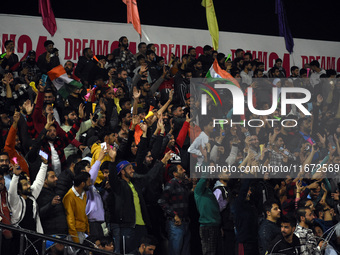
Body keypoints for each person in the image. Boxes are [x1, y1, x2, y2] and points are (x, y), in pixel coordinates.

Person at [158, 163, 192, 255]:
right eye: (181, 170)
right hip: (175, 224)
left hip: (185, 222)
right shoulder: (171, 183)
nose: (184, 171)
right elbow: (161, 201)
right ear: (175, 173)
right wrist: (174, 215)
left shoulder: (183, 184)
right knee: (175, 252)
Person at [62, 171, 91, 243]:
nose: (90, 184)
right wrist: (76, 241)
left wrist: (87, 230)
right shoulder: (69, 197)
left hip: (83, 232)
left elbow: (84, 214)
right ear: (82, 184)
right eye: (88, 182)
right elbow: (70, 220)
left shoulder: (83, 195)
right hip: (75, 234)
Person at [37, 169, 68, 235]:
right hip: (51, 234)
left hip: (62, 233)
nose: (56, 179)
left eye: (55, 176)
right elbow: (39, 213)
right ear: (44, 180)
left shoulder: (54, 191)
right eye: (52, 177)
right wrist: (51, 204)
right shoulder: (40, 194)